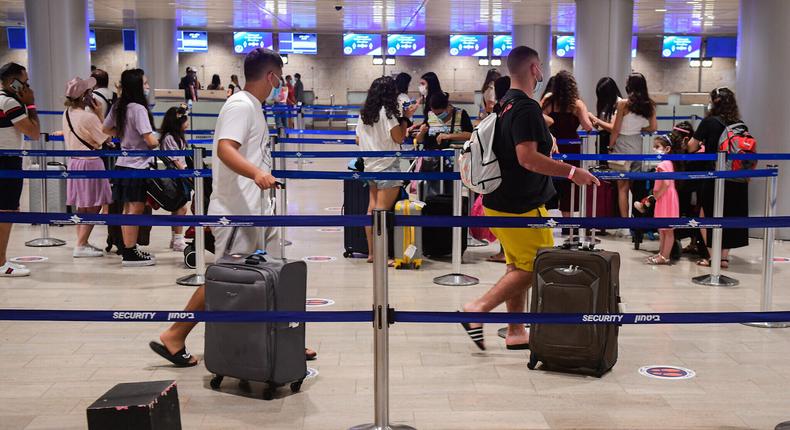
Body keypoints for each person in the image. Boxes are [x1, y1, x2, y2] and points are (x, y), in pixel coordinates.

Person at [151, 48, 317, 367]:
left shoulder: (252, 106)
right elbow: (225, 149)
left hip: (255, 210)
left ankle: (285, 339)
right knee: (227, 280)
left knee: (272, 275)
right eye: (278, 78)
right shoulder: (240, 105)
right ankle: (175, 334)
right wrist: (257, 173)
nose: (279, 85)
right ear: (270, 76)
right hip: (237, 211)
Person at [460, 46, 599, 350]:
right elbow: (527, 158)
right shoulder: (525, 108)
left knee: (516, 266)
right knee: (537, 265)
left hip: (500, 202)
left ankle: (515, 331)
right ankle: (479, 308)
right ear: (535, 69)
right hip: (521, 205)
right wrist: (573, 173)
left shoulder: (505, 103)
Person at [686, 87, 749, 269]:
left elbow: (691, 147)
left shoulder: (709, 122)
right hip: (736, 177)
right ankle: (723, 258)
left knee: (706, 216)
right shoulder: (740, 124)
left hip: (714, 176)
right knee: (728, 216)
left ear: (714, 102)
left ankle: (712, 257)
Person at [102, 68, 159, 267]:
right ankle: (130, 251)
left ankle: (128, 248)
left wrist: (124, 134)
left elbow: (105, 129)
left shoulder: (119, 105)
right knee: (135, 209)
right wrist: (156, 139)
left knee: (127, 209)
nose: (147, 87)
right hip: (137, 166)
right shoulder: (138, 109)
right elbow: (150, 141)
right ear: (136, 86)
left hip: (122, 165)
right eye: (144, 83)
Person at [356, 76, 414, 264]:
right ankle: (382, 255)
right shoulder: (387, 114)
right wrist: (406, 118)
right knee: (381, 212)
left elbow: (358, 139)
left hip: (369, 166)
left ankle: (373, 253)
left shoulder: (365, 113)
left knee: (371, 210)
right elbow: (399, 138)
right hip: (387, 165)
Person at [62, 76, 113, 258]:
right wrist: (100, 115)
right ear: (85, 95)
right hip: (90, 162)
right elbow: (106, 137)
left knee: (82, 205)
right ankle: (81, 244)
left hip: (75, 162)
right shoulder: (88, 117)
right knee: (95, 204)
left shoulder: (67, 113)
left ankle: (82, 242)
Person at [0, 62, 40, 277]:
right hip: (6, 160)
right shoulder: (9, 103)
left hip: (6, 159)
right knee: (6, 212)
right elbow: (33, 132)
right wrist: (31, 105)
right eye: (24, 82)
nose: (27, 87)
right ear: (14, 83)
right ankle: (0, 262)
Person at [609, 72, 658, 235]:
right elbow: (653, 128)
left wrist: (610, 146)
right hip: (638, 146)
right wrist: (640, 129)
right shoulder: (649, 104)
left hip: (622, 146)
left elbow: (615, 129)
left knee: (622, 187)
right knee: (634, 187)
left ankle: (625, 225)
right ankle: (638, 222)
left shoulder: (624, 103)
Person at [541, 70, 594, 218]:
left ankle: (545, 220)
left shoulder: (549, 101)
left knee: (549, 180)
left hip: (552, 146)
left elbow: (536, 115)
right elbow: (588, 127)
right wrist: (588, 116)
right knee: (570, 184)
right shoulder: (577, 104)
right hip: (572, 148)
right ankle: (567, 223)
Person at [158, 105, 191, 251]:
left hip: (180, 174)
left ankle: (175, 239)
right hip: (176, 176)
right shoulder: (170, 138)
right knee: (181, 207)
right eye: (185, 121)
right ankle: (178, 239)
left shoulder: (177, 138)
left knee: (178, 207)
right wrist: (186, 173)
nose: (187, 123)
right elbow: (175, 159)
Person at [644, 135, 681, 265]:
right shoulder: (668, 163)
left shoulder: (663, 164)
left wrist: (657, 195)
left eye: (657, 147)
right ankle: (662, 253)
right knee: (662, 229)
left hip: (665, 198)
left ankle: (665, 256)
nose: (655, 149)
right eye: (654, 147)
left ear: (667, 149)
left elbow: (665, 183)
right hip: (665, 198)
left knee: (667, 230)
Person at [590, 76, 623, 159]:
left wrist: (595, 119)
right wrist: (593, 121)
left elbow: (613, 128)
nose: (601, 98)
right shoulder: (604, 103)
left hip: (613, 142)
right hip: (601, 141)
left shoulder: (619, 104)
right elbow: (601, 125)